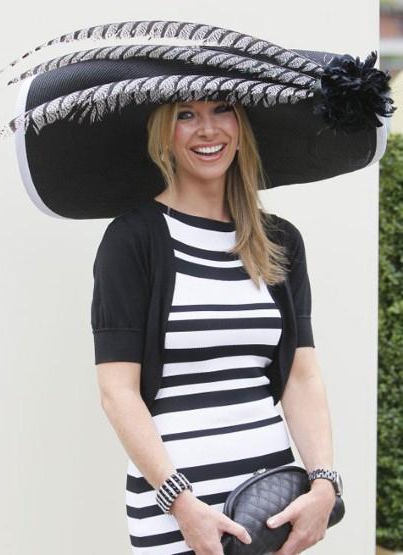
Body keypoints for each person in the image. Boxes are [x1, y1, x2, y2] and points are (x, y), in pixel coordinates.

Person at [93, 98, 338, 555]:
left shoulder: (280, 241)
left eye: (222, 110)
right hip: (176, 510)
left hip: (269, 505)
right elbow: (117, 393)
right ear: (163, 135)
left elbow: (301, 377)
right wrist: (181, 504)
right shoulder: (132, 240)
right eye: (185, 115)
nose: (207, 129)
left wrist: (324, 482)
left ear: (241, 127)